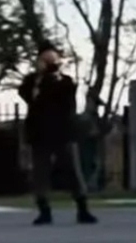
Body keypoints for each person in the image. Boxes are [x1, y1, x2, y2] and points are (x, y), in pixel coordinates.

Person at [18, 43, 97, 226]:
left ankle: (82, 209)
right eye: (44, 60)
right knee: (40, 174)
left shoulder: (65, 82)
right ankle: (44, 210)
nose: (48, 64)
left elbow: (66, 102)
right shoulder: (32, 81)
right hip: (40, 135)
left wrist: (51, 78)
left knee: (72, 172)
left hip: (63, 134)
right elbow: (29, 97)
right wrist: (39, 80)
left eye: (51, 60)